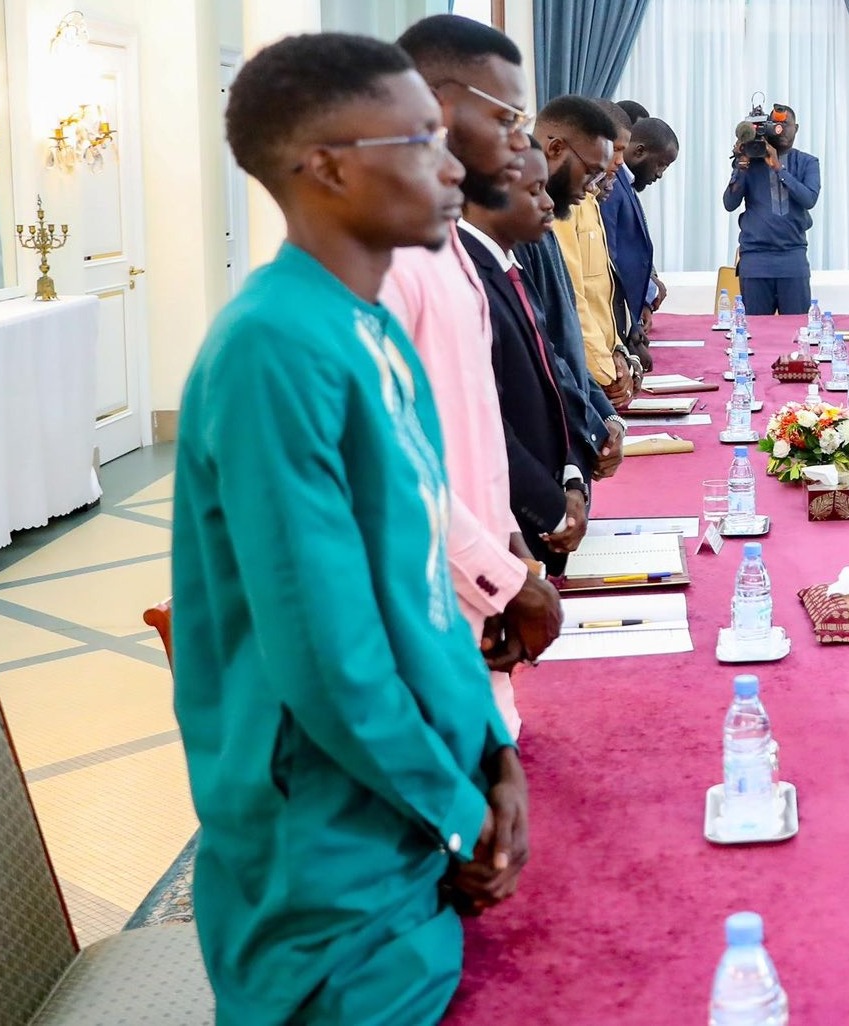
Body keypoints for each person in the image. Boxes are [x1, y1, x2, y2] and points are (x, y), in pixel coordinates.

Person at [177, 32, 526, 1022]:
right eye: (420, 140)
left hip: (409, 810)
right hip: (328, 855)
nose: (455, 163)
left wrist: (493, 751)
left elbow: (417, 593)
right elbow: (329, 658)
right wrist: (462, 814)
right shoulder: (272, 348)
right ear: (327, 166)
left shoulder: (367, 329)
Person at [381, 14, 561, 739]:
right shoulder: (388, 256)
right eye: (509, 117)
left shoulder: (448, 242)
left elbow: (471, 426)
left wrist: (511, 541)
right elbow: (389, 458)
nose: (524, 140)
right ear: (439, 105)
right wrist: (497, 577)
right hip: (425, 626)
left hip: (474, 612)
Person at [462, 147, 589, 576]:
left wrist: (572, 474)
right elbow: (486, 422)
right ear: (486, 196)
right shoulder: (468, 279)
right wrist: (551, 509)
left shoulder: (510, 266)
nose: (549, 202)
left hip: (544, 511)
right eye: (534, 191)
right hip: (513, 519)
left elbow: (553, 372)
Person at [516, 95, 625, 490]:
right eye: (590, 173)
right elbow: (544, 352)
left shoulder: (544, 223)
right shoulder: (518, 235)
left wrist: (605, 417)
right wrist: (593, 426)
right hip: (547, 456)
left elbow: (567, 340)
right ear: (556, 148)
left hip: (573, 440)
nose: (593, 188)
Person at [553, 99, 635, 408]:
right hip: (585, 375)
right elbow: (574, 296)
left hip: (603, 365)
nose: (618, 162)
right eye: (615, 149)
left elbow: (602, 292)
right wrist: (605, 372)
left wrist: (619, 354)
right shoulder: (565, 206)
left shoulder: (588, 198)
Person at [722, 103, 820, 315]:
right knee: (755, 335)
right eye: (775, 125)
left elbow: (809, 199)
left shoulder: (807, 162)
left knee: (796, 332)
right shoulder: (750, 162)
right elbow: (730, 203)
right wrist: (742, 164)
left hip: (793, 260)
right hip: (755, 262)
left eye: (786, 124)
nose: (781, 130)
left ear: (797, 128)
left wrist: (778, 168)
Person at [603, 114, 679, 367]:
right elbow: (610, 263)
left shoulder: (627, 184)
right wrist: (627, 328)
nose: (659, 174)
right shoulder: (612, 187)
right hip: (614, 325)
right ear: (639, 151)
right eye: (661, 165)